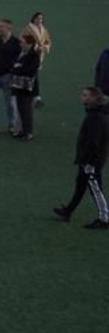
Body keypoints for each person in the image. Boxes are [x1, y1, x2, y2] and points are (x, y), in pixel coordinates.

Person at [54, 88, 109, 229]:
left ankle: (104, 218)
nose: (82, 97)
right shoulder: (97, 114)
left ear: (94, 98)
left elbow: (93, 142)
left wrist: (88, 161)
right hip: (89, 159)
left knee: (95, 189)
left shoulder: (95, 117)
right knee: (81, 185)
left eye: (85, 95)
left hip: (91, 161)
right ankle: (68, 211)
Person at [8, 32, 42, 141]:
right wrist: (17, 67)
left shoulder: (34, 55)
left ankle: (29, 133)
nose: (20, 44)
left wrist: (17, 68)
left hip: (28, 88)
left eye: (22, 42)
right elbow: (16, 66)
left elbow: (29, 70)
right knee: (21, 109)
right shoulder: (22, 53)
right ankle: (24, 130)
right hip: (19, 87)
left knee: (26, 110)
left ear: (29, 44)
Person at [24, 11, 52, 107]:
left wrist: (45, 47)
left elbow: (48, 41)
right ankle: (36, 97)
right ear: (33, 19)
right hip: (30, 56)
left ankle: (32, 96)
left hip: (39, 56)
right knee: (33, 75)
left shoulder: (44, 30)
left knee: (33, 75)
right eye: (37, 18)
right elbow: (25, 41)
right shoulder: (28, 29)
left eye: (41, 18)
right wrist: (36, 47)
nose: (39, 20)